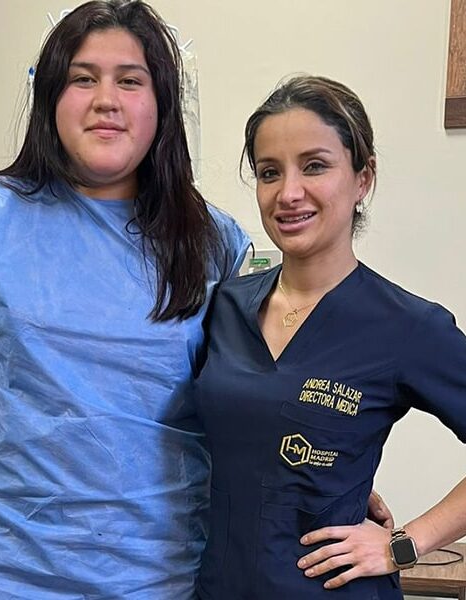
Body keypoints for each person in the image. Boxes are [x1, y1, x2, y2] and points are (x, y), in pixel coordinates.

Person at [0, 2, 251, 599]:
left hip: (156, 572)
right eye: (83, 78)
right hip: (2, 569)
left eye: (130, 81)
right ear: (50, 96)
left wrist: (327, 474)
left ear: (162, 105)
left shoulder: (212, 242)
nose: (106, 100)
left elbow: (240, 403)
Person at [193, 75, 466, 599]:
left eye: (314, 166)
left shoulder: (406, 326)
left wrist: (406, 544)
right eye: (270, 172)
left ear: (363, 178)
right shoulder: (224, 307)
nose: (289, 193)